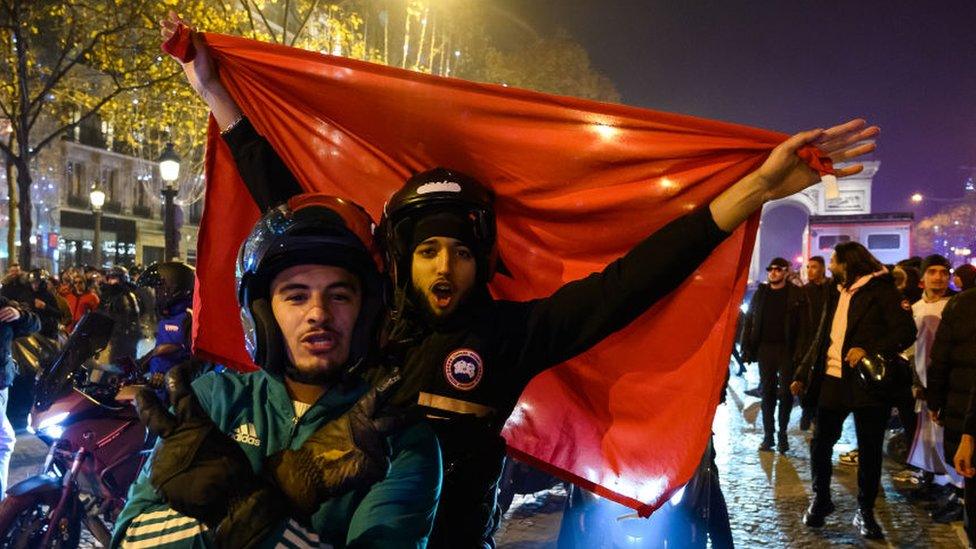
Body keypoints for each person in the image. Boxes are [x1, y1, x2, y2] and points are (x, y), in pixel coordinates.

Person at [162, 12, 879, 546]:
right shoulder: (364, 323)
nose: (446, 266)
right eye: (428, 250)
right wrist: (219, 98)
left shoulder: (509, 335)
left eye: (463, 251)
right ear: (394, 262)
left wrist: (755, 188)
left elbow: (631, 282)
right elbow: (294, 211)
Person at [112, 194, 441, 547]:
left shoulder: (398, 440)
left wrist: (244, 515)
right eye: (296, 296)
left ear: (368, 313)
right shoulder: (211, 401)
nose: (318, 313)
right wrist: (249, 507)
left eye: (340, 296)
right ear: (262, 314)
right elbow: (129, 536)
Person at [791, 242, 916, 539]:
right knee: (821, 443)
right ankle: (821, 500)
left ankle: (866, 511)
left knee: (870, 449)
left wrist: (869, 349)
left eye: (834, 260)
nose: (830, 264)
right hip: (832, 379)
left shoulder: (882, 290)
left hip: (866, 383)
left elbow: (906, 331)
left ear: (847, 263)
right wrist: (803, 373)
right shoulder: (832, 291)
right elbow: (823, 336)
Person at [905, 255, 962, 514]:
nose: (939, 277)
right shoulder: (914, 309)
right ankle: (929, 477)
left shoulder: (955, 306)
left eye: (944, 272)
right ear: (923, 277)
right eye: (933, 272)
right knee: (925, 435)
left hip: (948, 385)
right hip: (921, 384)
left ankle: (955, 487)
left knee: (947, 436)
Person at [739, 257, 804, 452]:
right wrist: (747, 347)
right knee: (766, 393)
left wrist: (800, 351)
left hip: (786, 349)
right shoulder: (761, 294)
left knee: (785, 394)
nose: (773, 272)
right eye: (770, 269)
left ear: (786, 272)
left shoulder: (795, 294)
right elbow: (750, 320)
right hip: (765, 348)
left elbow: (802, 325)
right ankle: (769, 436)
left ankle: (782, 433)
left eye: (778, 269)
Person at [931, 286, 976, 545]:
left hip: (963, 408)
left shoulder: (960, 303)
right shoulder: (961, 304)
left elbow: (941, 357)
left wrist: (936, 400)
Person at [0, 297, 39, 497]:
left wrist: (19, 315)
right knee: (4, 440)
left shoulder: (3, 302)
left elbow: (34, 323)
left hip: (2, 381)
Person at [136, 262, 195, 392]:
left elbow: (195, 360)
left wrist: (171, 376)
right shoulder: (168, 317)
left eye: (160, 289)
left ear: (175, 289)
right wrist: (137, 366)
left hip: (178, 393)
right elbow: (159, 352)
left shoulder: (190, 318)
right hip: (160, 390)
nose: (157, 295)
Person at [795, 256, 830, 431]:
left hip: (825, 341)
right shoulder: (805, 291)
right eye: (808, 267)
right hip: (808, 341)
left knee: (821, 382)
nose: (810, 270)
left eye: (814, 267)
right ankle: (806, 410)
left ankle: (815, 416)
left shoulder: (830, 289)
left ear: (823, 268)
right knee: (804, 380)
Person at [98, 266, 142, 365]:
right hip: (111, 337)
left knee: (122, 365)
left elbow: (128, 317)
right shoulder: (108, 294)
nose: (111, 281)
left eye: (115, 278)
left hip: (125, 337)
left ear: (122, 279)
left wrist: (118, 334)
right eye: (110, 278)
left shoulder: (127, 295)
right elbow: (101, 312)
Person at [25, 268, 62, 339]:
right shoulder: (27, 295)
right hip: (32, 333)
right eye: (32, 283)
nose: (35, 285)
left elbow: (59, 314)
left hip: (47, 333)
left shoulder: (49, 295)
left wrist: (45, 307)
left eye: (37, 282)